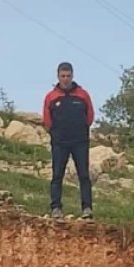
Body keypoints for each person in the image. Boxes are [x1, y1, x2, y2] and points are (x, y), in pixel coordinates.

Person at [42, 62, 96, 221]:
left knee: (84, 175)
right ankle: (56, 208)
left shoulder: (82, 95)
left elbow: (90, 116)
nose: (65, 79)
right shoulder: (51, 97)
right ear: (58, 76)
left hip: (80, 141)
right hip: (60, 142)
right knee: (57, 175)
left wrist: (82, 129)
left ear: (73, 76)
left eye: (68, 76)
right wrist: (55, 133)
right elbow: (47, 119)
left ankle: (87, 208)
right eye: (62, 76)